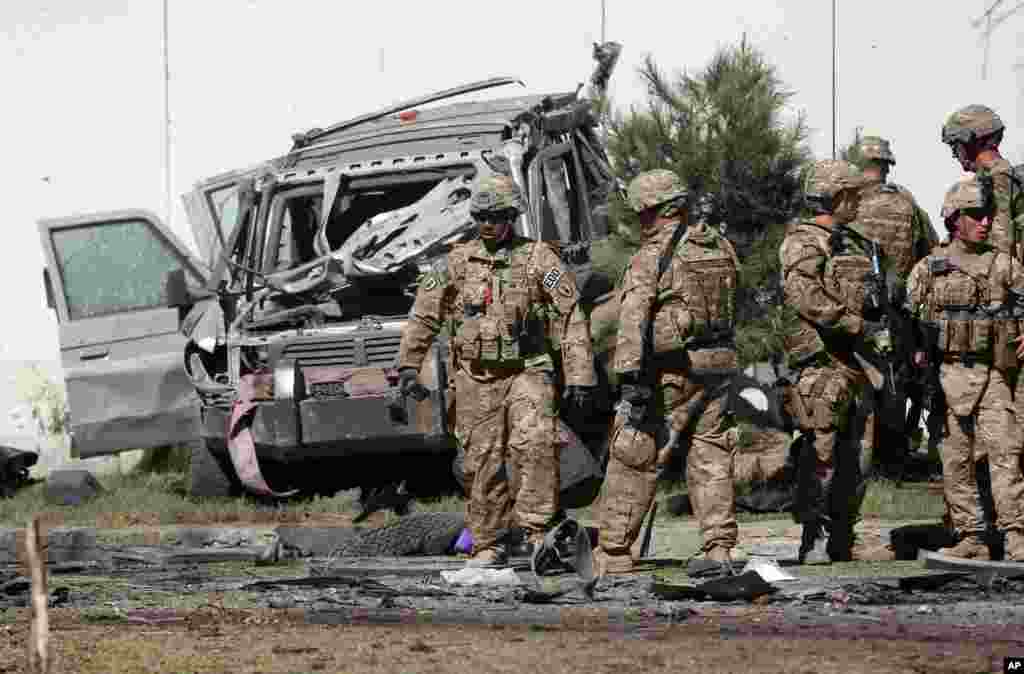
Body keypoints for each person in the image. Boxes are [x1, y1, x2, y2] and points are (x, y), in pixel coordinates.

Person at [396, 174, 596, 568]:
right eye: (481, 216)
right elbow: (423, 315)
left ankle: (538, 535)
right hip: (475, 377)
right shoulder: (452, 262)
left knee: (535, 444)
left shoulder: (541, 259)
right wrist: (408, 365)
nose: (488, 224)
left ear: (512, 216)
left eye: (496, 216)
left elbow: (571, 314)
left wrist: (579, 374)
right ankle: (488, 543)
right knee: (480, 459)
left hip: (528, 369)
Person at [593, 168, 741, 576]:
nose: (640, 220)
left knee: (633, 453)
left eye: (643, 212)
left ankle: (615, 552)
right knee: (711, 456)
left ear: (657, 210)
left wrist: (629, 377)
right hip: (719, 366)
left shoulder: (654, 255)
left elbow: (632, 319)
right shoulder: (720, 246)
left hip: (672, 373)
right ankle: (719, 548)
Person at [905, 177, 1024, 561]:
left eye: (987, 214)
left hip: (992, 376)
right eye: (975, 215)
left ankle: (1015, 534)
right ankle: (970, 536)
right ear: (954, 219)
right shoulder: (929, 268)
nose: (985, 222)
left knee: (1005, 453)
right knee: (955, 459)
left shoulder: (1004, 264)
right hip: (945, 377)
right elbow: (907, 321)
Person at [779, 159, 882, 564]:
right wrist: (854, 323)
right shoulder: (804, 242)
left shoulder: (858, 244)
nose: (858, 201)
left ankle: (842, 536)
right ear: (835, 197)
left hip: (861, 366)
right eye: (852, 195)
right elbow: (803, 295)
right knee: (820, 453)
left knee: (858, 458)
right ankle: (815, 537)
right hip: (822, 365)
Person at [851, 135, 938, 479]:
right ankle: (891, 460)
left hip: (856, 309)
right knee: (894, 384)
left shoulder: (848, 203)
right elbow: (928, 249)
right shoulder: (907, 203)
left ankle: (861, 461)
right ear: (888, 166)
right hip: (898, 310)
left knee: (859, 381)